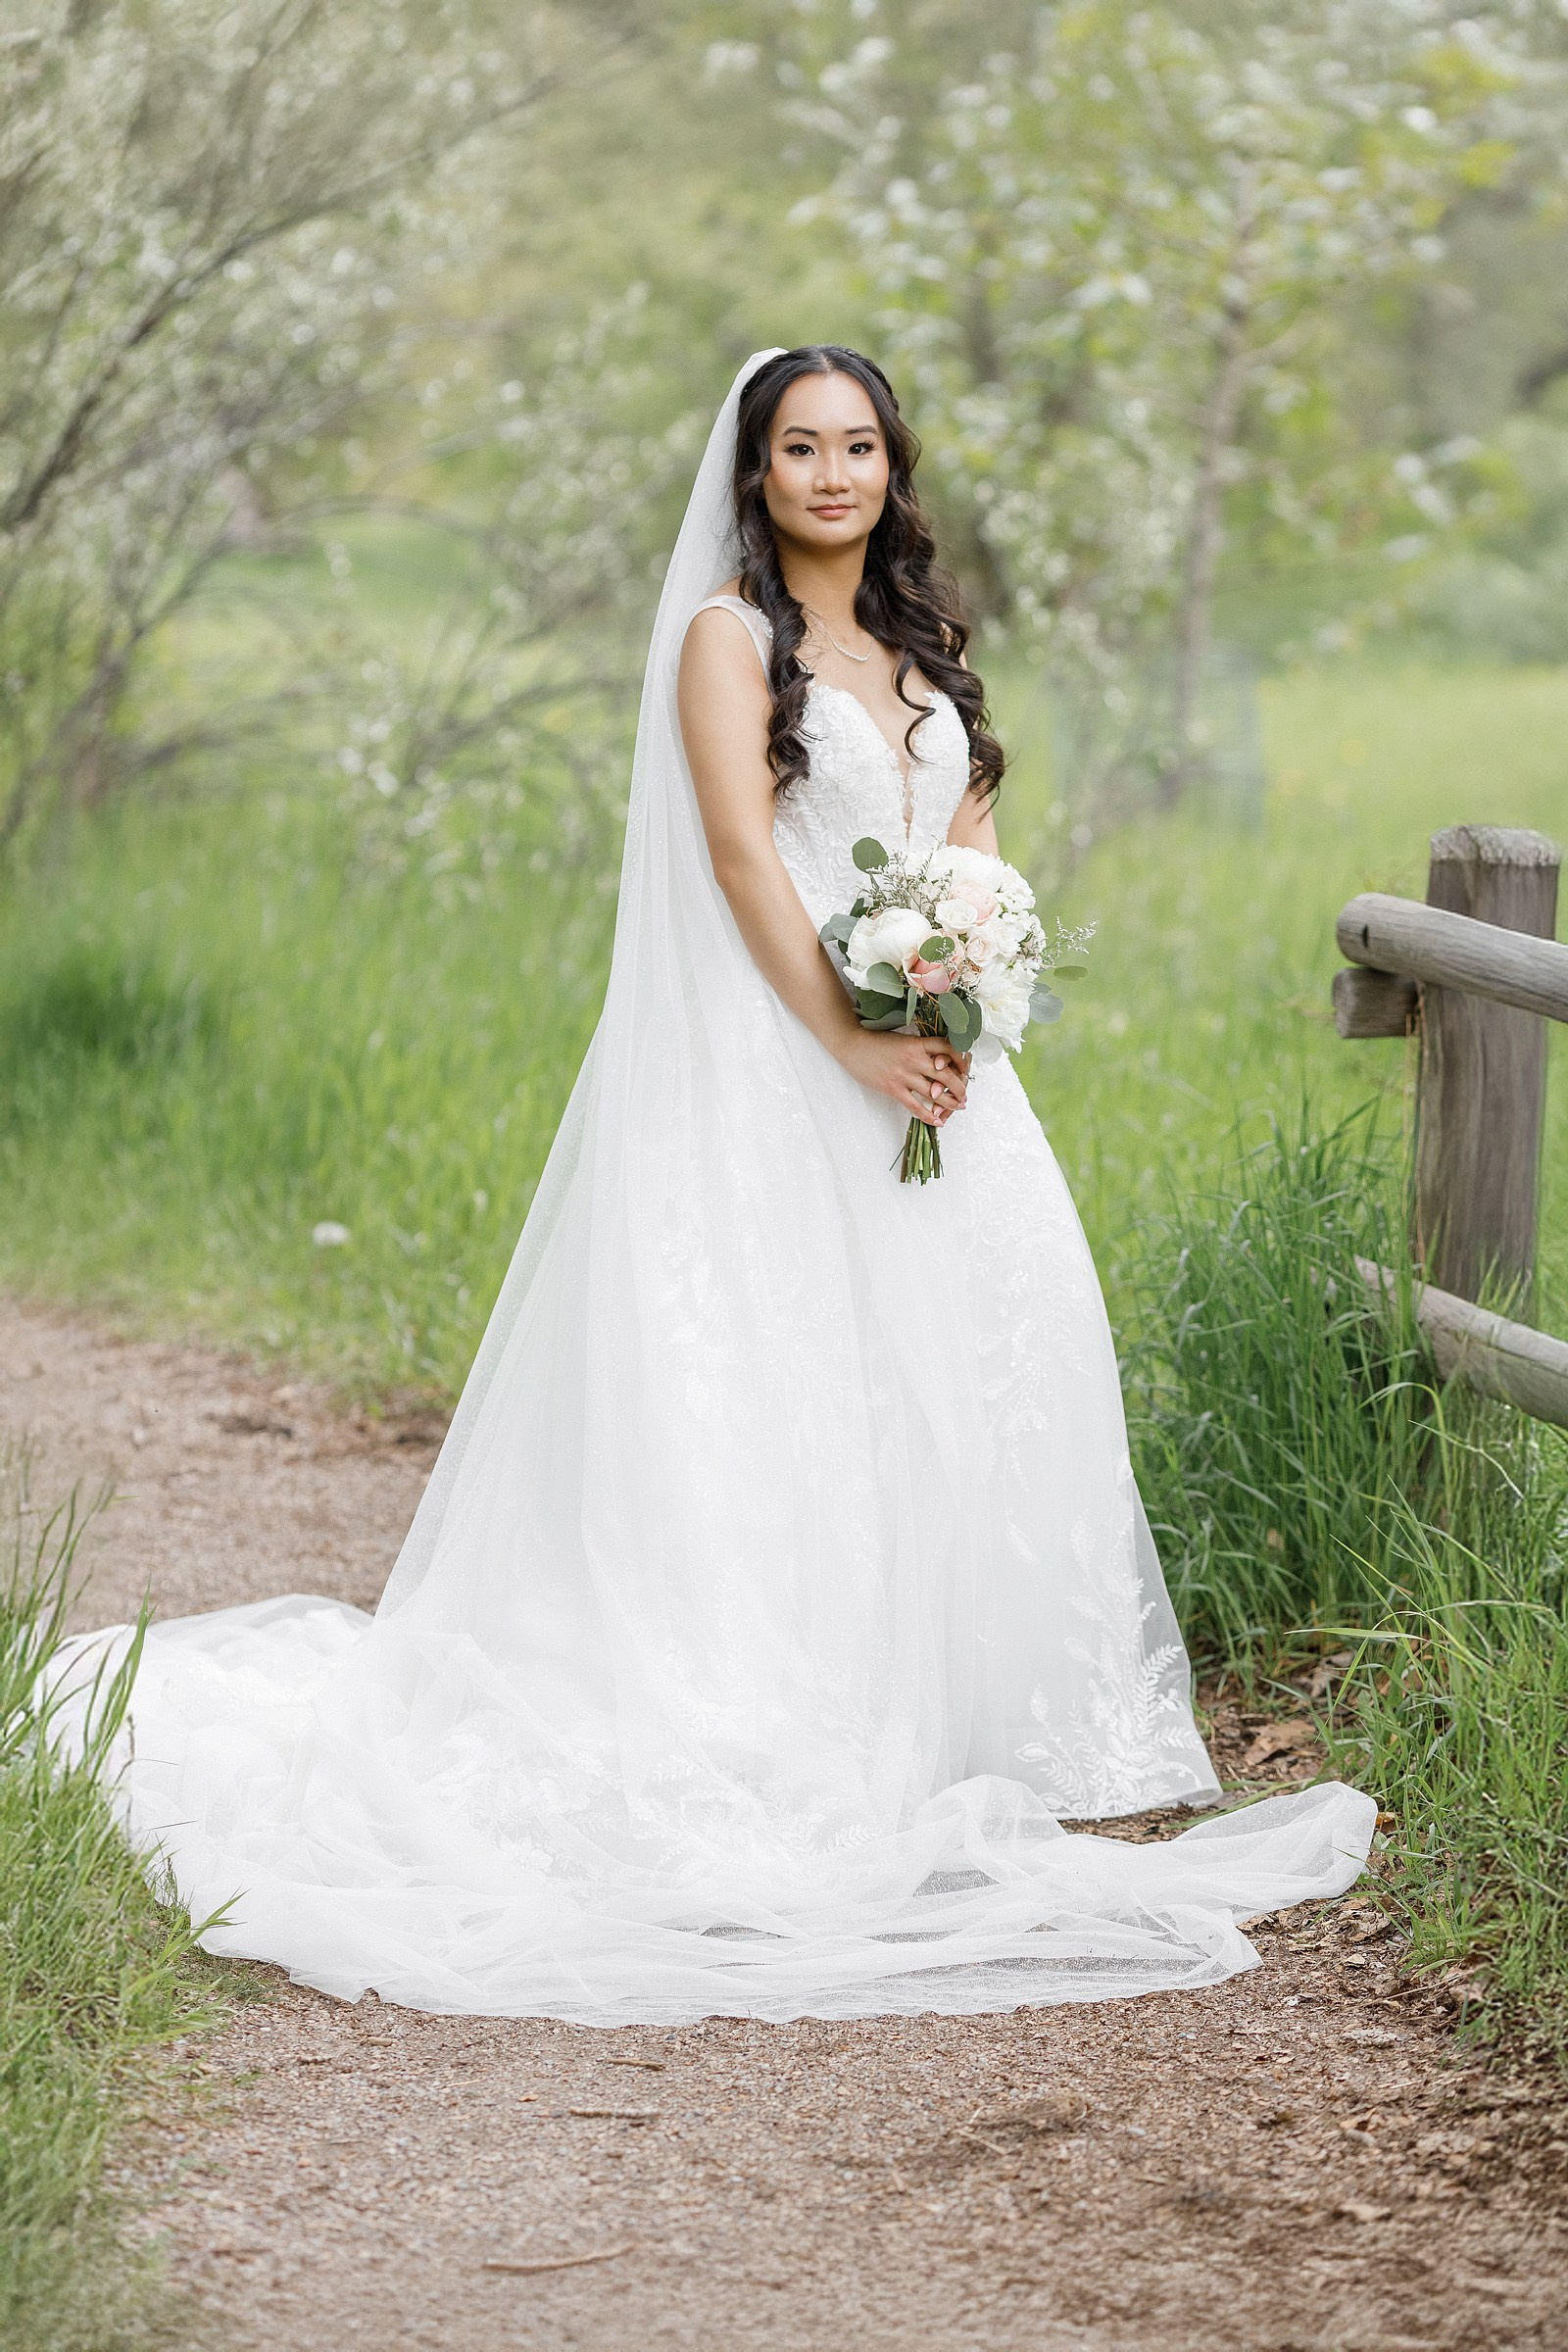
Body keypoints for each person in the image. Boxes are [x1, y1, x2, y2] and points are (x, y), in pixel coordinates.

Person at [65, 347, 1372, 2025]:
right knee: (779, 1380)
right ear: (754, 474)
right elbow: (749, 857)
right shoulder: (723, 641)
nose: (833, 474)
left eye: (859, 447)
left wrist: (961, 968)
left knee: (972, 1366)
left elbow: (960, 840)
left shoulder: (921, 649)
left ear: (893, 468)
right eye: (798, 448)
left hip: (937, 1067)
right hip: (780, 1062)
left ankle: (973, 1720)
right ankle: (771, 1722)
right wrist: (850, 1035)